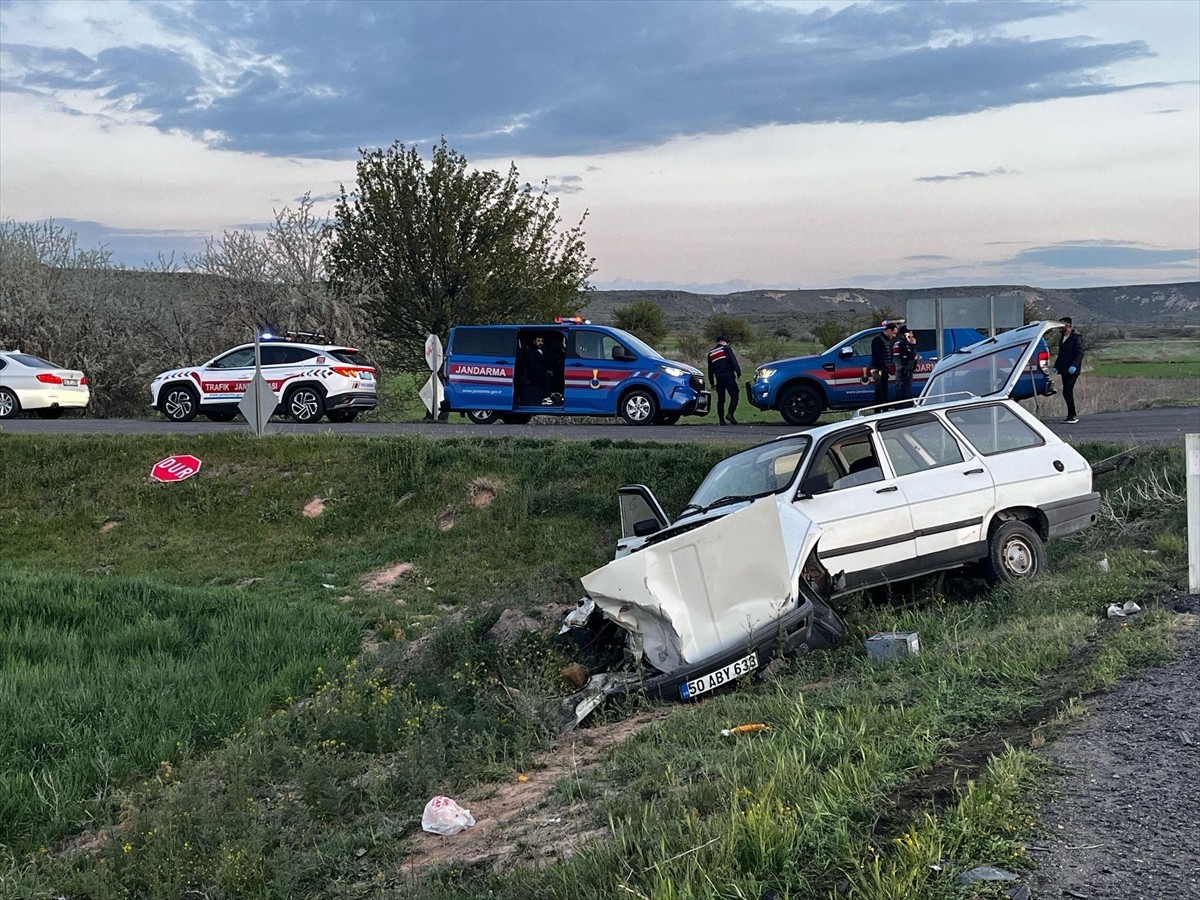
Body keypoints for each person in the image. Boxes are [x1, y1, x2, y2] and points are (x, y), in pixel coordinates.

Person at [1054, 317, 1085, 424]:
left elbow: (1080, 353)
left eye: (1062, 326)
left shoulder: (1076, 338)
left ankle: (1072, 415)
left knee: (1067, 390)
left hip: (1072, 369)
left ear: (1068, 326)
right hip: (1064, 369)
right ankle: (1071, 414)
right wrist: (1056, 365)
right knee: (1066, 391)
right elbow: (1061, 354)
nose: (1060, 328)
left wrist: (1074, 365)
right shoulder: (1062, 337)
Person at [707, 335, 742, 425]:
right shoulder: (726, 349)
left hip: (719, 378)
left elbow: (710, 370)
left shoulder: (711, 353)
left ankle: (721, 419)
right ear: (725, 342)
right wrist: (738, 372)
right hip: (728, 376)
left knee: (721, 399)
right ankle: (730, 414)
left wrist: (712, 382)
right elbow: (733, 361)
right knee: (735, 395)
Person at [870, 321, 899, 405]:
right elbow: (877, 356)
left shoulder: (887, 340)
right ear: (889, 330)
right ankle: (879, 409)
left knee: (884, 391)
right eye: (893, 333)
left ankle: (884, 408)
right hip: (879, 369)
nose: (894, 336)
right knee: (880, 391)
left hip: (885, 369)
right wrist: (882, 368)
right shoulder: (878, 340)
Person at [521, 335, 551, 405]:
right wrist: (546, 371)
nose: (540, 343)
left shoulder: (544, 351)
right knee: (546, 377)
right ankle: (546, 397)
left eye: (542, 341)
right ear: (534, 342)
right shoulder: (530, 352)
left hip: (541, 371)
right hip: (533, 373)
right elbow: (533, 365)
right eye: (538, 341)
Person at [894, 327, 918, 403]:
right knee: (902, 391)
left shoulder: (906, 344)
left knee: (907, 391)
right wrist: (911, 345)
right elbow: (907, 357)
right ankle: (902, 407)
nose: (912, 335)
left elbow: (912, 356)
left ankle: (905, 405)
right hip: (903, 370)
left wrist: (912, 345)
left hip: (908, 370)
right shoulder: (900, 344)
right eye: (910, 333)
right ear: (905, 334)